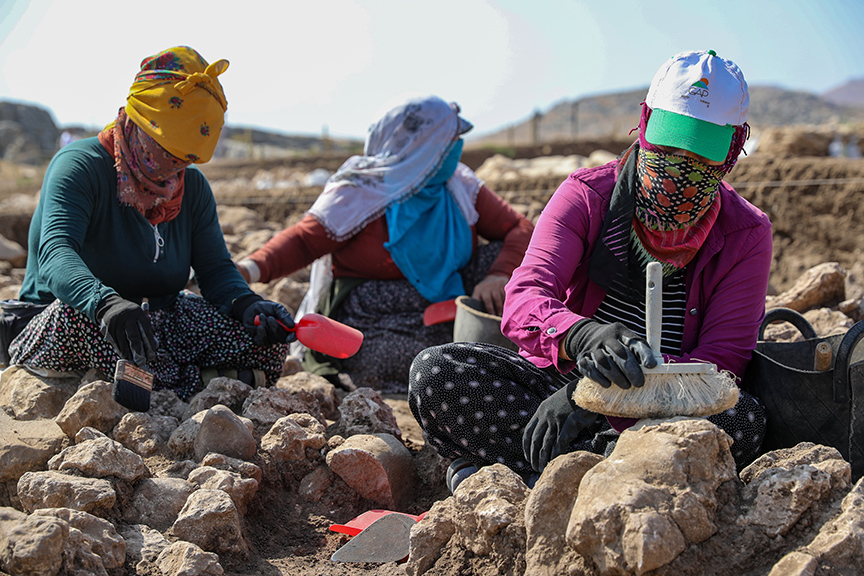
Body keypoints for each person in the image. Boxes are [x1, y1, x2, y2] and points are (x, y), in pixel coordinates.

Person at [409, 50, 773, 492]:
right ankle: (605, 475)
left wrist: (603, 399)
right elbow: (525, 297)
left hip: (670, 401)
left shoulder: (745, 233)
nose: (679, 163)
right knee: (437, 371)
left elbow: (722, 362)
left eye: (701, 152)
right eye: (670, 141)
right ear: (644, 123)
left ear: (733, 148)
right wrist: (581, 337)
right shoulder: (586, 195)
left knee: (743, 420)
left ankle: (528, 473)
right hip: (558, 384)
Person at [5, 46, 296, 401]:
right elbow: (55, 253)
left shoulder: (192, 188)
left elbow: (215, 270)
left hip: (157, 319)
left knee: (265, 341)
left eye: (184, 159)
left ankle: (172, 383)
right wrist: (106, 303)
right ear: (140, 121)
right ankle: (209, 384)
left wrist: (247, 305)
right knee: (92, 329)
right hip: (75, 316)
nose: (174, 165)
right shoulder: (80, 166)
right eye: (167, 149)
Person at [235, 95, 534, 392]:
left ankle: (485, 352)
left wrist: (499, 274)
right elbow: (302, 242)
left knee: (517, 270)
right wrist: (246, 271)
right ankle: (471, 360)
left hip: (452, 293)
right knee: (396, 359)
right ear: (420, 147)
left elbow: (519, 228)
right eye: (449, 140)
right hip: (378, 313)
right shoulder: (360, 190)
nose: (456, 147)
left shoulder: (459, 184)